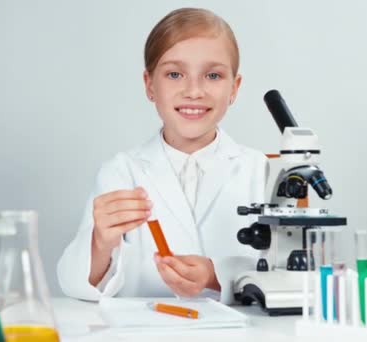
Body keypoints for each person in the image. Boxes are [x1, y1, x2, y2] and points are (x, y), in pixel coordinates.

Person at [57, 7, 269, 304]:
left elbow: (292, 274)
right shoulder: (121, 171)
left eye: (212, 75)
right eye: (174, 74)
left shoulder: (262, 172)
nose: (194, 91)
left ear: (234, 88)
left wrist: (216, 274)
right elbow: (73, 281)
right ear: (149, 85)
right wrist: (100, 242)